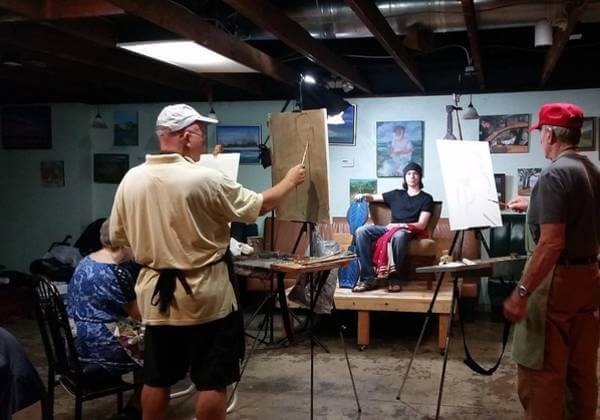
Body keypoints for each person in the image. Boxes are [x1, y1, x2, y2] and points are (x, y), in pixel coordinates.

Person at [109, 104, 306, 420]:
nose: (204, 139)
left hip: (156, 298)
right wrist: (290, 181)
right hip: (205, 297)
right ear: (186, 136)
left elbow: (119, 236)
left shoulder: (132, 179)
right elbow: (258, 206)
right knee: (212, 379)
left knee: (156, 378)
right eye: (201, 132)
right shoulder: (204, 178)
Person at [503, 102, 600, 420]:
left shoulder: (554, 174)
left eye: (540, 133)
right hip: (588, 279)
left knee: (541, 375)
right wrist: (532, 204)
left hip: (556, 284)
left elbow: (551, 242)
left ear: (549, 134)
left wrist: (521, 293)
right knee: (580, 372)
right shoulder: (590, 170)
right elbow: (576, 213)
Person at [67, 219, 142, 418]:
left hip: (74, 339)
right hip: (102, 343)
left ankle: (141, 396)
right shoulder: (116, 272)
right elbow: (137, 314)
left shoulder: (86, 261)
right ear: (125, 243)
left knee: (138, 334)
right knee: (155, 346)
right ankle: (139, 404)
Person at [352, 162, 433, 293]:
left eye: (415, 173)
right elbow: (373, 197)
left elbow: (422, 224)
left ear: (420, 177)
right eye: (409, 173)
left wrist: (400, 225)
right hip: (389, 229)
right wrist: (363, 196)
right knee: (361, 231)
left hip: (408, 230)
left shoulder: (426, 198)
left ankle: (395, 279)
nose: (412, 176)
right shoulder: (396, 194)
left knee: (399, 235)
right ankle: (368, 279)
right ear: (405, 177)